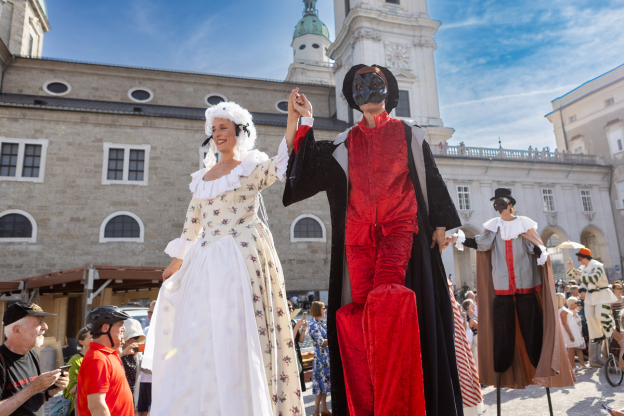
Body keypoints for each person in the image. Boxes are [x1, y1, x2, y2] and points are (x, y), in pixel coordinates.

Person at [283, 64, 463, 416]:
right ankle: (367, 403)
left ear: (386, 91)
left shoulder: (410, 134)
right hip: (357, 240)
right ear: (353, 97)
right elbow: (300, 169)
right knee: (355, 319)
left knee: (391, 307)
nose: (367, 90)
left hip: (402, 235)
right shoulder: (342, 143)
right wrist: (301, 120)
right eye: (359, 85)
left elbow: (430, 177)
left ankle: (402, 401)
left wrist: (440, 222)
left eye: (374, 83)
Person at [142, 100, 304, 416]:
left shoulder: (250, 167)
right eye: (213, 129)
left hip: (241, 254)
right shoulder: (202, 177)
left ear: (239, 132)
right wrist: (176, 263)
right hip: (205, 261)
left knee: (238, 331)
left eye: (223, 128)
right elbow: (192, 224)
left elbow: (281, 166)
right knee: (200, 334)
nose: (217, 134)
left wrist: (292, 121)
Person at [450, 188, 575, 389]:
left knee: (532, 327)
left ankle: (538, 363)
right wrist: (460, 239)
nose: (498, 208)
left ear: (510, 205)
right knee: (502, 329)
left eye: (501, 204)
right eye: (495, 205)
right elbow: (481, 244)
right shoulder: (494, 228)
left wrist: (541, 250)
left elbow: (533, 245)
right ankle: (501, 365)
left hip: (525, 285)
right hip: (502, 286)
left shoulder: (524, 225)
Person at [0, 302, 69, 416]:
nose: (45, 327)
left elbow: (31, 403)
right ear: (17, 330)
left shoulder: (32, 354)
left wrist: (50, 392)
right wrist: (33, 388)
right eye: (39, 323)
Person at [76, 306, 134, 416]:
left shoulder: (108, 354)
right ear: (105, 328)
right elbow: (97, 405)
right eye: (120, 325)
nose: (124, 329)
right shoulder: (97, 359)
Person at [567, 248, 617, 368]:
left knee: (601, 317)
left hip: (602, 295)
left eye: (579, 256)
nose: (577, 259)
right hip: (590, 297)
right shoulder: (584, 267)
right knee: (592, 326)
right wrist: (571, 267)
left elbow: (595, 278)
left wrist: (581, 274)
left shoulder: (597, 265)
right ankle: (595, 359)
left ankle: (614, 334)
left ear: (583, 256)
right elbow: (573, 274)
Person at [447, 282, 483, 416]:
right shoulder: (467, 316)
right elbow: (470, 326)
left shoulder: (468, 315)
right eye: (472, 303)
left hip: (466, 341)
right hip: (469, 340)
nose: (474, 304)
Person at [308, 301, 331, 416]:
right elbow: (321, 342)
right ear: (317, 310)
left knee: (323, 385)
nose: (325, 310)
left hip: (324, 358)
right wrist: (334, 339)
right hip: (320, 359)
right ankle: (316, 412)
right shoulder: (313, 324)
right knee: (319, 386)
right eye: (323, 308)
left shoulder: (319, 323)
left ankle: (324, 409)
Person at [63, 327, 92, 416]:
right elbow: (71, 390)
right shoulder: (75, 360)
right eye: (91, 337)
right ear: (81, 342)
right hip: (79, 408)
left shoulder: (100, 357)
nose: (95, 339)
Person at [557, 294, 586, 374]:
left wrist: (576, 310)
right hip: (569, 331)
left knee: (572, 350)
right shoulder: (562, 310)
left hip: (572, 330)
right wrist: (570, 335)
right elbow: (564, 323)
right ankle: (571, 368)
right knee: (571, 350)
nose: (565, 299)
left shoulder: (562, 309)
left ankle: (573, 368)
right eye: (563, 298)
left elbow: (569, 317)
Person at [120, 319, 145, 405]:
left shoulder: (137, 354)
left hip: (131, 398)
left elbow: (147, 369)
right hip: (118, 397)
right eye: (131, 337)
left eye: (136, 337)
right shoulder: (114, 351)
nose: (133, 340)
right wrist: (123, 353)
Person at [137, 301, 155, 416]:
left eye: (151, 312)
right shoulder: (146, 331)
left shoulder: (168, 331)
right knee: (142, 411)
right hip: (143, 379)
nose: (148, 315)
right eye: (148, 312)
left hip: (156, 380)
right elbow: (139, 350)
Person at [288, 300, 307, 393]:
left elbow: (301, 340)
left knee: (299, 379)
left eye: (291, 308)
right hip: (289, 355)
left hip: (296, 352)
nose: (291, 310)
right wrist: (296, 327)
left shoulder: (293, 321)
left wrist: (303, 328)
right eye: (289, 308)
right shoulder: (283, 324)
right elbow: (289, 340)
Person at [463, 299, 479, 370]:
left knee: (476, 357)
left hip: (476, 337)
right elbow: (475, 326)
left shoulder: (472, 315)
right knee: (477, 357)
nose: (474, 305)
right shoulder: (469, 316)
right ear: (468, 307)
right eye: (472, 304)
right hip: (476, 337)